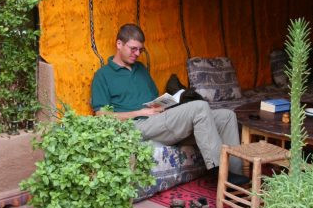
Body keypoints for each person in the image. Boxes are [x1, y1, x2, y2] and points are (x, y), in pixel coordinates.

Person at [91, 23, 242, 175]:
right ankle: (220, 172)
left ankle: (236, 177)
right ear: (119, 44)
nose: (137, 54)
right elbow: (101, 115)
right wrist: (139, 112)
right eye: (133, 48)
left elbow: (154, 99)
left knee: (227, 116)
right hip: (136, 126)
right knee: (200, 106)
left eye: (140, 50)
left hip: (158, 121)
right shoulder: (103, 75)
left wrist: (161, 105)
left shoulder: (141, 69)